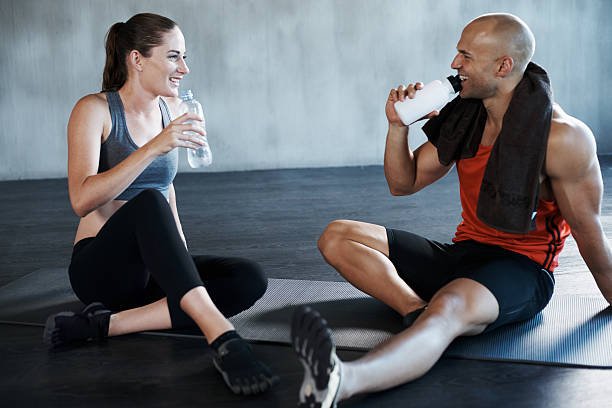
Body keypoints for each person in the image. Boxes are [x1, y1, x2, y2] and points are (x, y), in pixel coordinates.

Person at [291, 13, 612, 407]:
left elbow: (588, 232)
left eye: (465, 56)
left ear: (503, 65)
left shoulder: (562, 137)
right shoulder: (468, 117)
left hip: (520, 270)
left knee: (450, 307)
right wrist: (397, 126)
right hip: (463, 253)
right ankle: (416, 312)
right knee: (337, 236)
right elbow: (402, 183)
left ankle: (343, 381)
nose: (454, 65)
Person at [43, 13, 278, 395]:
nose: (184, 68)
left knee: (249, 278)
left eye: (184, 57)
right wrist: (156, 146)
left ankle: (101, 325)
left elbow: (167, 189)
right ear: (137, 59)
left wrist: (179, 264)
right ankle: (223, 338)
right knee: (148, 201)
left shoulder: (171, 111)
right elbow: (81, 199)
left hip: (150, 271)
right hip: (102, 271)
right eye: (173, 57)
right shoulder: (95, 110)